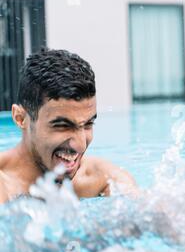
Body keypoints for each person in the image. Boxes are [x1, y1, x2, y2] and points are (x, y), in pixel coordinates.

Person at [0, 49, 136, 204]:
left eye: (88, 124)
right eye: (63, 126)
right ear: (21, 118)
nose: (80, 144)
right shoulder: (4, 187)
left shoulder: (101, 179)